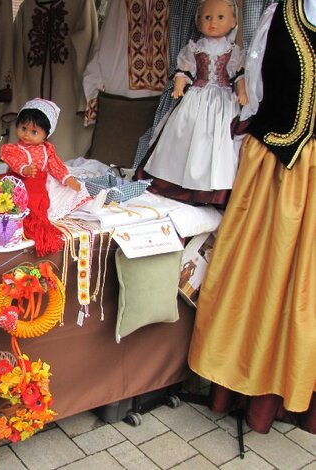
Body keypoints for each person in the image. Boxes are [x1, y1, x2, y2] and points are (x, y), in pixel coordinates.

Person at [188, 0, 316, 434]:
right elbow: (255, 93)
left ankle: (299, 386)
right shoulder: (278, 14)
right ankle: (244, 381)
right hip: (274, 167)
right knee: (257, 273)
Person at [135, 0, 247, 207]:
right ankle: (174, 183)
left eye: (220, 17)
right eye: (207, 17)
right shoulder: (195, 48)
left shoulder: (234, 51)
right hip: (196, 96)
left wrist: (242, 93)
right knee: (184, 136)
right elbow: (184, 70)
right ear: (198, 21)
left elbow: (238, 75)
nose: (213, 22)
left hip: (222, 102)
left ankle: (213, 192)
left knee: (218, 142)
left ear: (233, 22)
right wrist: (179, 86)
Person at [0, 98, 81, 256]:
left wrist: (67, 178)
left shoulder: (47, 149)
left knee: (41, 206)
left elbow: (56, 165)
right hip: (20, 183)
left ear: (46, 135)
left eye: (34, 132)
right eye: (23, 128)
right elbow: (14, 161)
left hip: (39, 185)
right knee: (19, 205)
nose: (26, 135)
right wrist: (24, 169)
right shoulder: (14, 149)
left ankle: (39, 228)